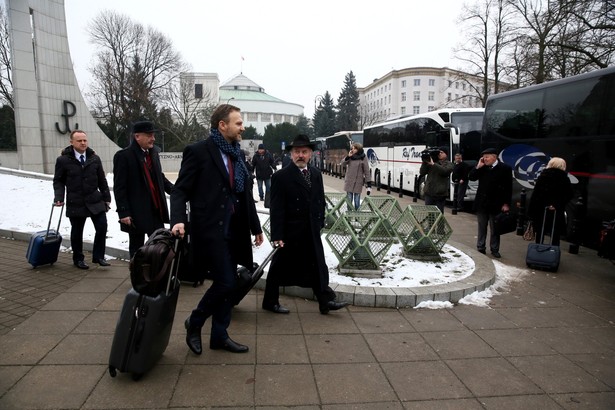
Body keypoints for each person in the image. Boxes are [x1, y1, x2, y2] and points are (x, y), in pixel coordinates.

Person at [171, 104, 264, 355]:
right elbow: (180, 190)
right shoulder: (199, 152)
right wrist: (178, 220)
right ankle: (195, 321)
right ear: (222, 125)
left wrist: (256, 227)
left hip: (236, 230)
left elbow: (245, 196)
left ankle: (219, 335)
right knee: (225, 282)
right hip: (211, 230)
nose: (242, 127)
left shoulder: (237, 154)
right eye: (238, 123)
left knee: (230, 282)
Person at [262, 134, 348, 315]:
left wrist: (320, 220)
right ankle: (270, 301)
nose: (300, 155)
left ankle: (325, 301)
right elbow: (276, 209)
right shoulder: (281, 176)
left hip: (311, 229)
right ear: (291, 154)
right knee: (278, 267)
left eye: (304, 152)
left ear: (310, 153)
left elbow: (319, 200)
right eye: (297, 152)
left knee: (318, 264)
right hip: (289, 232)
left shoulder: (316, 174)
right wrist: (277, 235)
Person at [113, 120, 174, 258]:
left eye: (153, 135)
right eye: (149, 135)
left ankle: (155, 274)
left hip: (155, 210)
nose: (153, 138)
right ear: (137, 136)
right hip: (136, 213)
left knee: (159, 245)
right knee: (137, 248)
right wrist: (123, 212)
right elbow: (119, 187)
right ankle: (138, 276)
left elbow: (160, 177)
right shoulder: (124, 156)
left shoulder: (153, 154)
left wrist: (176, 191)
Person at [53, 130, 112, 269]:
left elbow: (102, 180)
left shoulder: (94, 158)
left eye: (85, 140)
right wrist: (59, 197)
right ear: (72, 142)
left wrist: (106, 197)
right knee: (77, 231)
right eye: (79, 140)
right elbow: (58, 181)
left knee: (102, 226)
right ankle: (78, 258)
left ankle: (99, 256)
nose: (83, 143)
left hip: (95, 200)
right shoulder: (63, 160)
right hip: (76, 201)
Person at [468, 147, 513, 258]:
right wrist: (478, 167)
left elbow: (508, 187)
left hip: (497, 203)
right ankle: (480, 247)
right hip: (482, 203)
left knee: (495, 228)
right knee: (482, 226)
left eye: (487, 157)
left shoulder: (505, 168)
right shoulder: (482, 167)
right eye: (483, 157)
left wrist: (506, 203)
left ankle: (495, 249)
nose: (485, 159)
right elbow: (471, 177)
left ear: (494, 156)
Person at [527, 157, 574, 246]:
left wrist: (531, 212)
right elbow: (569, 194)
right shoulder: (564, 178)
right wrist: (556, 204)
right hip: (556, 210)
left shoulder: (543, 176)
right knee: (555, 232)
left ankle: (538, 250)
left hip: (541, 209)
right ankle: (553, 253)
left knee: (540, 231)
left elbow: (536, 195)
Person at [419, 147, 453, 213]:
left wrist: (433, 164)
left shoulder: (449, 164)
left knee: (439, 214)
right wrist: (425, 162)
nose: (439, 153)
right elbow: (422, 172)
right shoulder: (432, 162)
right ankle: (431, 224)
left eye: (442, 152)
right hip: (429, 192)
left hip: (440, 194)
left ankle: (438, 223)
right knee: (430, 214)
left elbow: (445, 171)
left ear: (446, 154)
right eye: (439, 152)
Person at [342, 142, 372, 210]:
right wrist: (348, 156)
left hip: (358, 182)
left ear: (359, 149)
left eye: (355, 148)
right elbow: (343, 163)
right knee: (349, 200)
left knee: (357, 201)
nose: (353, 150)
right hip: (349, 181)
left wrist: (369, 184)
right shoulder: (350, 156)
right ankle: (348, 216)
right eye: (352, 148)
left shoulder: (363, 157)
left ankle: (357, 217)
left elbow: (366, 171)